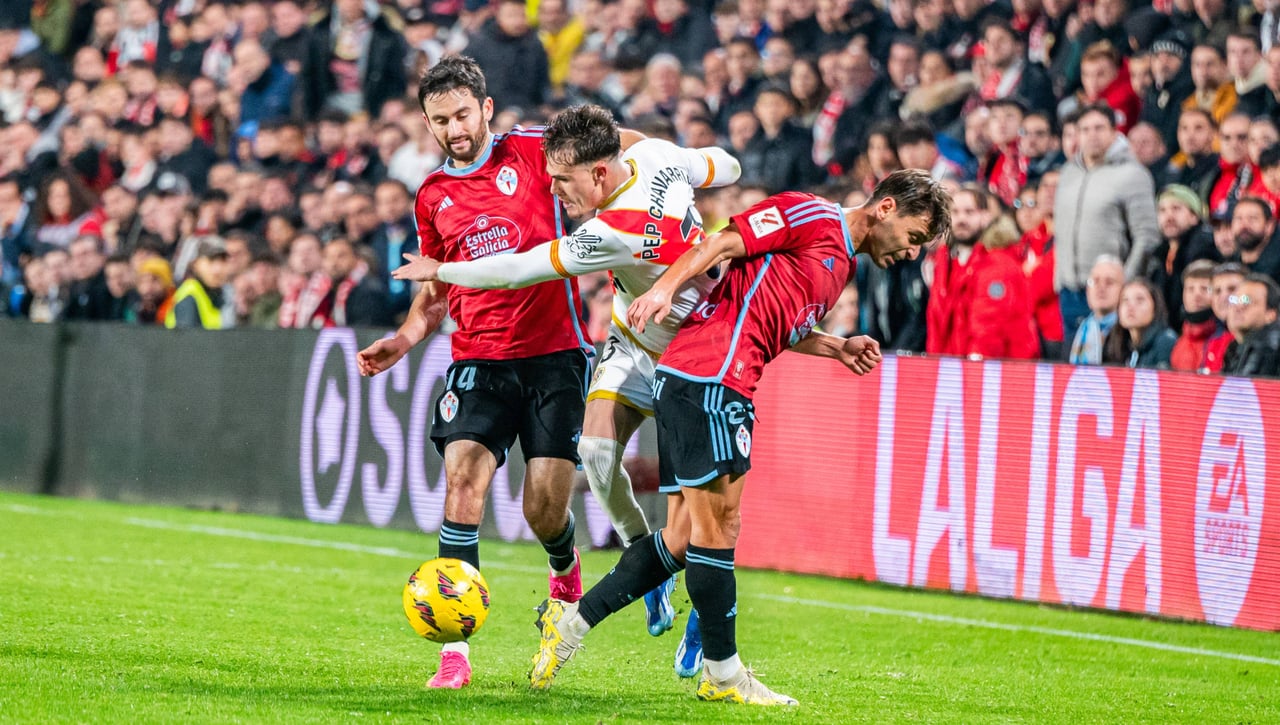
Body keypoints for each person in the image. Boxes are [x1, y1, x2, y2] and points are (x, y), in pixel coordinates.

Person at [527, 169, 951, 706]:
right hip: (709, 377)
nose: (911, 253)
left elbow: (780, 323)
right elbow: (724, 240)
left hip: (712, 380)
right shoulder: (814, 214)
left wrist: (836, 347)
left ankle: (572, 624)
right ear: (887, 208)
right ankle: (722, 674)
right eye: (915, 238)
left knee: (686, 537)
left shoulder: (839, 263)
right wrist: (664, 286)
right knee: (718, 528)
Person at [394, 103, 741, 677]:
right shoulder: (655, 155)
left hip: (696, 354)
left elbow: (515, 269)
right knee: (599, 455)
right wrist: (691, 169)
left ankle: (699, 619)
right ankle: (643, 561)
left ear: (600, 173)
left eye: (561, 180)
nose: (553, 192)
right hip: (631, 339)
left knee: (700, 520)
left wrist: (440, 270)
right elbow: (724, 164)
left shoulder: (608, 232)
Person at [354, 56, 591, 690]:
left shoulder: (537, 150)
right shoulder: (432, 195)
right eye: (440, 120)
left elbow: (611, 149)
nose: (454, 128)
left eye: (462, 114)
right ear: (427, 124)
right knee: (463, 482)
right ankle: (454, 656)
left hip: (556, 354)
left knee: (543, 510)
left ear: (486, 109)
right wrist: (403, 341)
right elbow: (432, 293)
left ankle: (564, 576)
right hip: (478, 359)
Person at [1101, 278, 1178, 368]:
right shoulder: (1115, 341)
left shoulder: (1165, 341)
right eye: (1125, 300)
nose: (1130, 307)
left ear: (1155, 307)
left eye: (1140, 300)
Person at [1222, 273, 1280, 377]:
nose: (1238, 307)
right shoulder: (1234, 348)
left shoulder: (1272, 353)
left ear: (1271, 314)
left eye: (1247, 300)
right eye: (1234, 300)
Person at [165, 238, 230, 329]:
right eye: (211, 261)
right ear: (195, 264)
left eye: (223, 261)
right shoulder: (189, 295)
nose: (217, 269)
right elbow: (187, 340)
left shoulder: (220, 294)